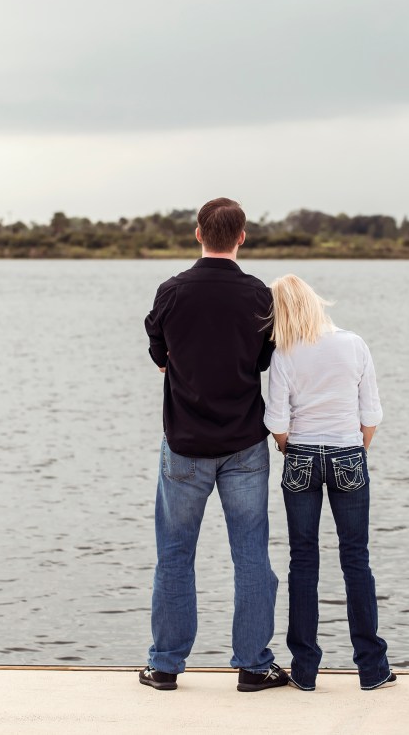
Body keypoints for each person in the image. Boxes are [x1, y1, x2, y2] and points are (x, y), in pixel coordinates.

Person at [139, 198, 288, 693]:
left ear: (197, 233)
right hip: (245, 445)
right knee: (251, 557)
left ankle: (164, 666)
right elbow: (265, 360)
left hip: (183, 444)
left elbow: (157, 349)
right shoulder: (258, 295)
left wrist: (174, 363)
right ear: (242, 237)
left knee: (174, 556)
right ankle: (252, 665)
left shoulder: (172, 291)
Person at [264, 274, 394, 692]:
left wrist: (291, 450)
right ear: (315, 302)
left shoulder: (283, 353)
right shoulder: (353, 344)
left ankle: (304, 671)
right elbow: (370, 413)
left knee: (302, 561)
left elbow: (276, 422)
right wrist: (355, 451)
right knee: (356, 558)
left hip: (300, 455)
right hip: (347, 453)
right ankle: (372, 670)